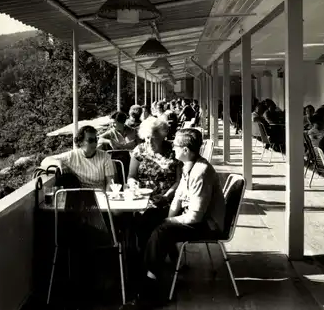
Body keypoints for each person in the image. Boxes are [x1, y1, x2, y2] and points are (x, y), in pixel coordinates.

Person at [122, 128, 226, 308]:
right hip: (193, 216)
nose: (173, 149)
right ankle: (145, 274)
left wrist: (167, 221)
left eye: (176, 146)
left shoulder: (200, 172)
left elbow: (195, 216)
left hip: (207, 224)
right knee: (147, 218)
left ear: (185, 150)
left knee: (162, 231)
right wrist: (164, 216)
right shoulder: (188, 165)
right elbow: (178, 197)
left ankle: (151, 291)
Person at [127, 117, 182, 250]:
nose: (149, 141)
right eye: (146, 138)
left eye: (153, 137)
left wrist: (166, 196)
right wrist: (133, 184)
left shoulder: (174, 150)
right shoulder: (139, 150)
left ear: (162, 136)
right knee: (132, 219)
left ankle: (150, 258)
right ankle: (146, 256)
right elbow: (131, 176)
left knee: (148, 219)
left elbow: (180, 181)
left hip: (170, 200)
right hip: (143, 199)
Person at [40, 126, 115, 192]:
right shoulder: (72, 156)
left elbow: (110, 182)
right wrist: (60, 163)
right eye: (90, 140)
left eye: (96, 140)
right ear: (80, 142)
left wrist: (106, 202)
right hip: (79, 197)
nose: (94, 143)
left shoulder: (105, 156)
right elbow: (45, 161)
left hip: (100, 196)